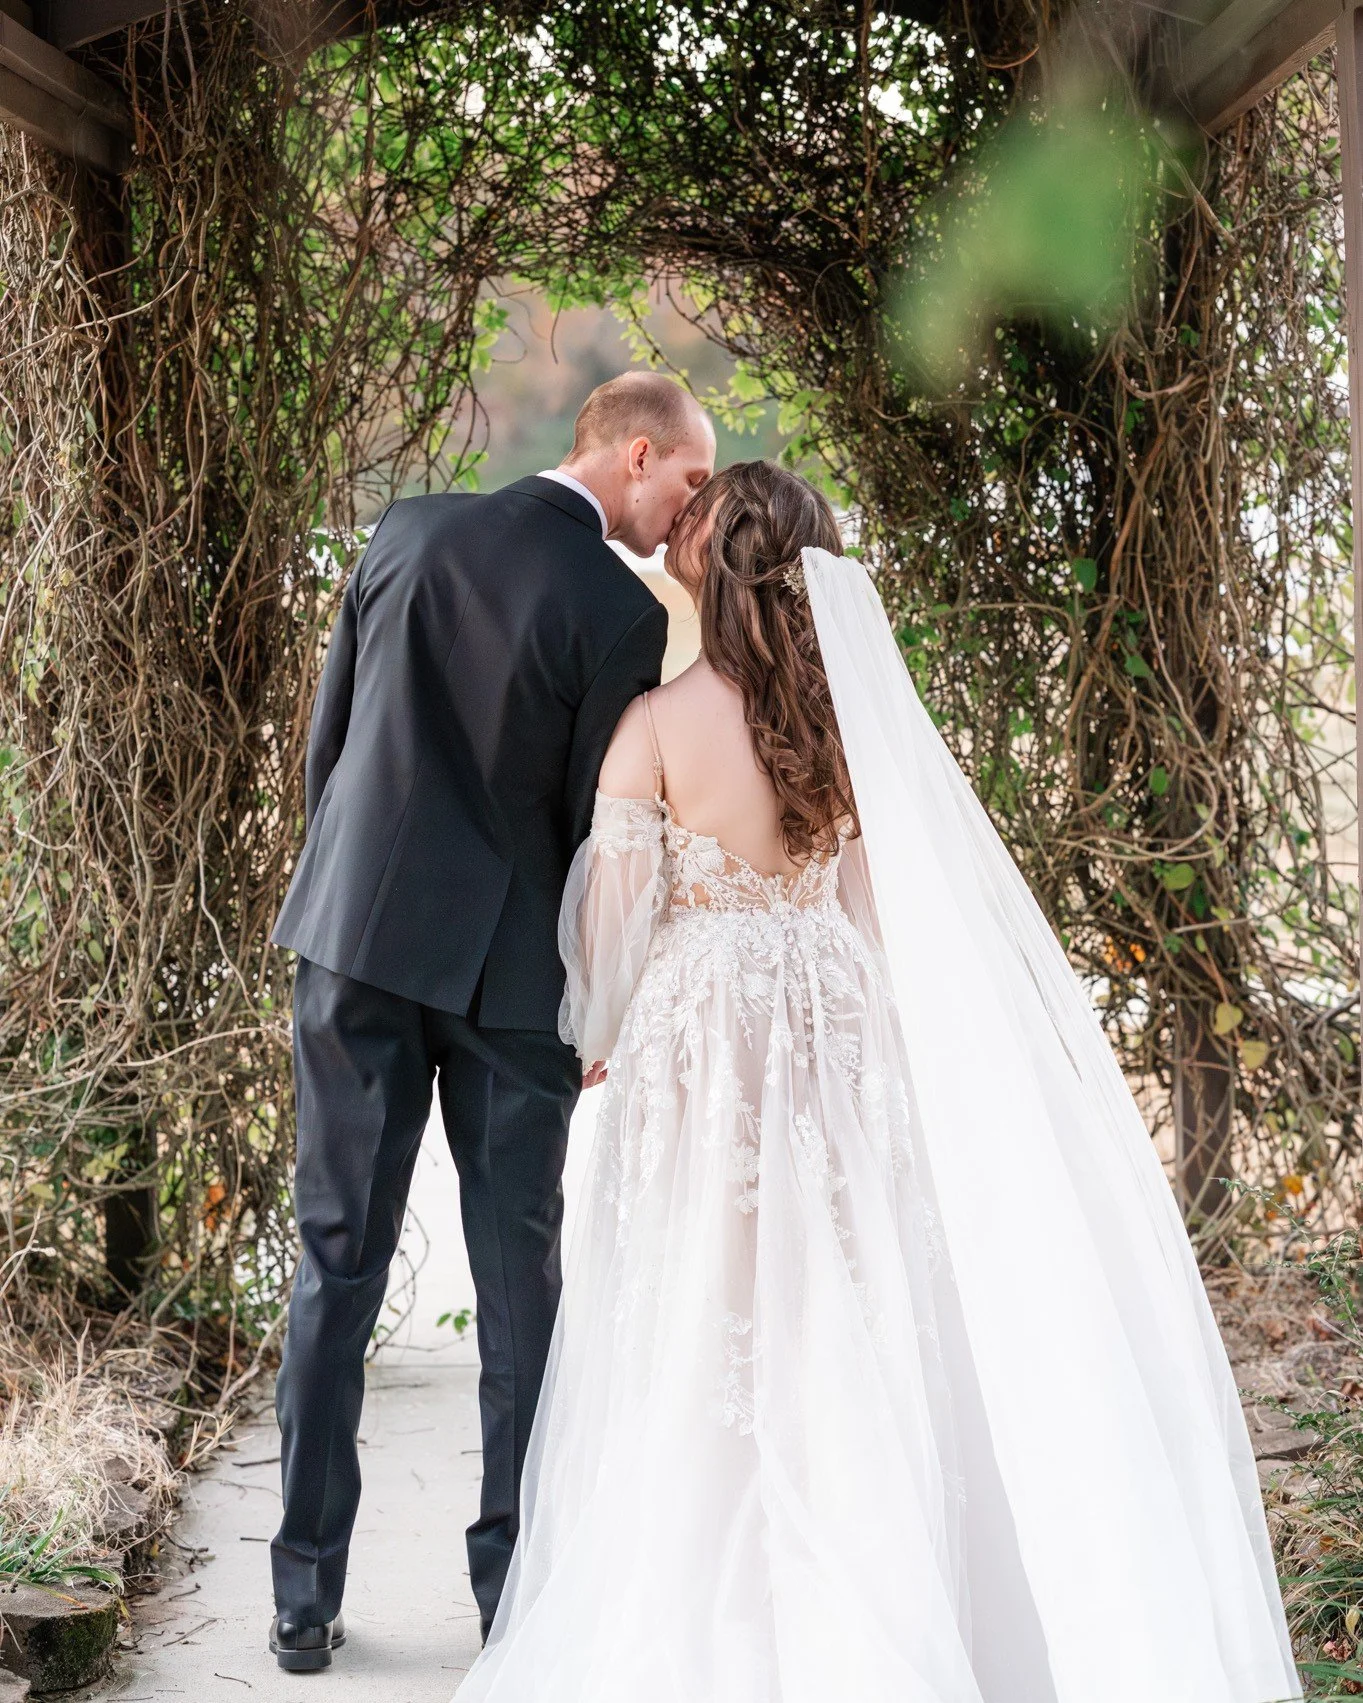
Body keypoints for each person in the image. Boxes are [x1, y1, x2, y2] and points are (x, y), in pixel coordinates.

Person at [455, 460, 1303, 1703]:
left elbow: (614, 931)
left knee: (700, 1293)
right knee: (837, 1285)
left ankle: (704, 1581)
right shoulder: (849, 721)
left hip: (708, 1031)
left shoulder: (651, 723)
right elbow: (873, 907)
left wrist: (601, 1025)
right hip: (829, 1011)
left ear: (708, 565)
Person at [265, 373, 716, 1671]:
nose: (689, 509)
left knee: (332, 1266)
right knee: (520, 1292)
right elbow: (592, 838)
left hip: (354, 943)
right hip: (514, 987)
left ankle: (300, 1597)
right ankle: (508, 1596)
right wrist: (593, 1002)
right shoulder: (616, 611)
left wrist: (342, 890)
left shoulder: (403, 529)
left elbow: (332, 749)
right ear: (634, 453)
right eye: (686, 479)